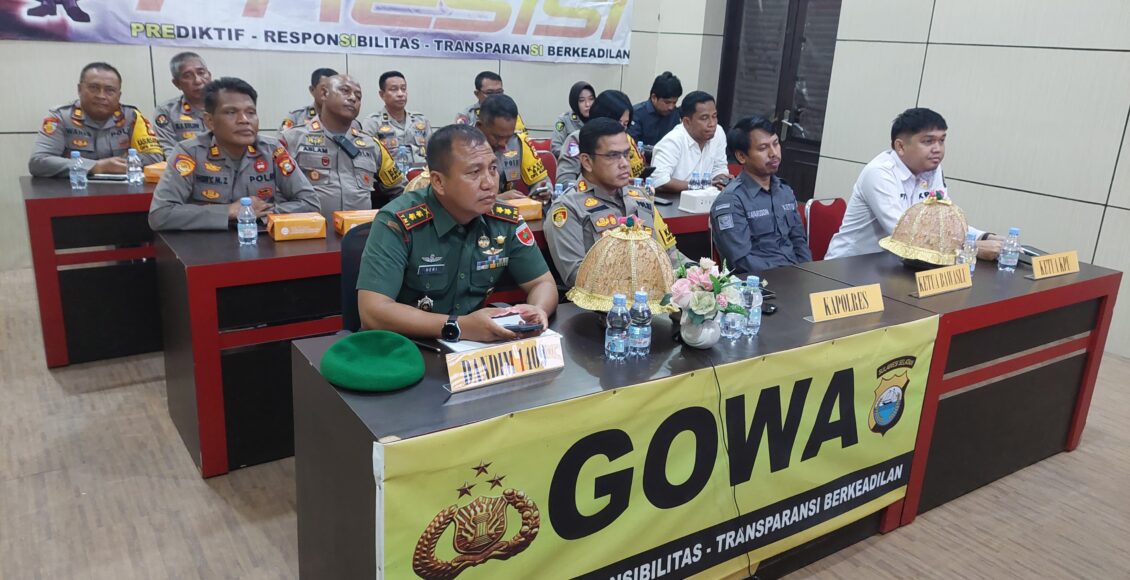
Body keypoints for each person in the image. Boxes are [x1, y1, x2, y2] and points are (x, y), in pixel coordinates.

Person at [356, 124, 558, 342]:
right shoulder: (398, 222)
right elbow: (372, 312)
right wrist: (458, 325)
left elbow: (543, 283)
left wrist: (538, 309)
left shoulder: (504, 219)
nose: (490, 183)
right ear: (439, 182)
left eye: (492, 168)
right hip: (406, 347)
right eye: (474, 172)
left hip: (473, 347)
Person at [825, 108, 1002, 259]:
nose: (938, 149)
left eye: (941, 140)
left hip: (895, 264)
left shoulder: (932, 170)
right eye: (928, 141)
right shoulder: (879, 173)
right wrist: (969, 247)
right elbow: (903, 234)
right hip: (849, 265)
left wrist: (985, 237)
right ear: (900, 147)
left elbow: (945, 224)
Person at [148, 77, 319, 231]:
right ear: (209, 121)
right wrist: (227, 211)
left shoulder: (272, 149)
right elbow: (160, 215)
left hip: (261, 242)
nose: (244, 120)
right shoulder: (189, 153)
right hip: (206, 246)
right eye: (231, 112)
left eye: (251, 112)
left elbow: (310, 202)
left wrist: (259, 212)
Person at [545, 118, 681, 287]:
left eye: (626, 154)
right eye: (613, 156)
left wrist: (698, 274)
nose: (624, 164)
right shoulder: (568, 208)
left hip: (657, 294)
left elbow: (671, 255)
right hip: (608, 301)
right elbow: (578, 277)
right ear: (587, 161)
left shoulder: (640, 197)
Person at [282, 75, 406, 221]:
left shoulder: (372, 145)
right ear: (324, 93)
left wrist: (388, 222)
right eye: (345, 91)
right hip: (310, 231)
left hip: (361, 232)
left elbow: (401, 190)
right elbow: (275, 193)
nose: (353, 98)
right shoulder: (292, 139)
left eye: (358, 96)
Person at [710, 116, 810, 274]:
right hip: (758, 283)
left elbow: (799, 243)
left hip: (794, 276)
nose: (773, 153)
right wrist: (786, 276)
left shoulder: (785, 192)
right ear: (741, 156)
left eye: (775, 144)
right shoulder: (731, 201)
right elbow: (741, 261)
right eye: (763, 148)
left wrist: (808, 273)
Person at [29, 62, 163, 177]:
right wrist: (96, 166)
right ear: (79, 89)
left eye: (109, 90)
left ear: (119, 95)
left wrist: (119, 164)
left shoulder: (131, 117)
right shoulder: (61, 117)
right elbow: (38, 162)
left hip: (123, 192)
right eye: (94, 88)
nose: (101, 96)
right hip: (74, 191)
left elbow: (155, 156)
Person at [555, 90, 646, 186]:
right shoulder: (577, 139)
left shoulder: (625, 140)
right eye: (618, 122)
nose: (621, 128)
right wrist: (600, 188)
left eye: (625, 124)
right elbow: (564, 182)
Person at [651, 91, 730, 194]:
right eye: (704, 118)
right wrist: (701, 185)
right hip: (674, 199)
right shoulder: (672, 141)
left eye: (714, 116)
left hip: (705, 198)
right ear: (687, 122)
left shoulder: (718, 132)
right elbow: (659, 181)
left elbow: (719, 168)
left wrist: (722, 180)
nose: (712, 123)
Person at [475, 94, 550, 201]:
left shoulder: (518, 142)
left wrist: (542, 191)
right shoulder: (463, 148)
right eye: (497, 137)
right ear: (480, 127)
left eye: (508, 137)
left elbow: (541, 180)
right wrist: (499, 199)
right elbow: (459, 200)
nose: (504, 144)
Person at [361, 70, 432, 165]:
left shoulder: (421, 120)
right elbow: (367, 160)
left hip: (421, 173)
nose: (400, 94)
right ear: (382, 94)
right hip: (389, 174)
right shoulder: (373, 122)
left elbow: (433, 154)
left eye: (403, 89)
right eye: (394, 89)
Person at [154, 52, 212, 158]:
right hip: (186, 166)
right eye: (188, 76)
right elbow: (168, 150)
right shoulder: (167, 111)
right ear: (177, 83)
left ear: (209, 75)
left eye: (201, 73)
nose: (198, 81)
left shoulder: (227, 107)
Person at [454, 71, 527, 134]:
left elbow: (520, 136)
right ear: (477, 94)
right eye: (489, 93)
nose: (495, 97)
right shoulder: (468, 114)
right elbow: (460, 138)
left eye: (499, 92)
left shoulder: (509, 112)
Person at [628, 71, 682, 148]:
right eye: (667, 102)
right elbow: (632, 146)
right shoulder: (636, 114)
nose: (671, 107)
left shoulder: (675, 113)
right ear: (654, 97)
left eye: (674, 102)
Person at [550, 81, 594, 158]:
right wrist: (578, 156)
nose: (588, 104)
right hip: (572, 163)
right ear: (574, 102)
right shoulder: (563, 120)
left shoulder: (599, 119)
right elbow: (556, 148)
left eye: (591, 99)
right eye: (582, 100)